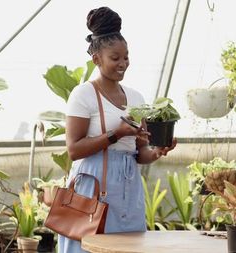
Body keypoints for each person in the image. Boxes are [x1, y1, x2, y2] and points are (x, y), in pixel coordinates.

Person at [59, 7, 176, 252]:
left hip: (128, 187)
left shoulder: (135, 97)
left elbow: (139, 152)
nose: (123, 63)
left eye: (126, 57)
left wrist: (157, 151)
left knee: (128, 246)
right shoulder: (83, 95)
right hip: (92, 185)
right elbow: (73, 150)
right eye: (115, 58)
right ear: (97, 59)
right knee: (88, 246)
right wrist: (117, 133)